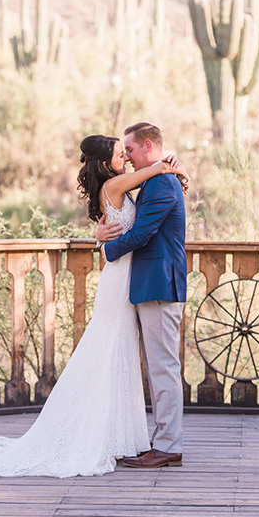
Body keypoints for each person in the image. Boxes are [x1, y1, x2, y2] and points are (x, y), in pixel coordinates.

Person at [0, 135, 189, 478]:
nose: (128, 158)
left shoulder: (129, 184)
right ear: (107, 164)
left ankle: (123, 437)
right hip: (122, 280)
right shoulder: (121, 182)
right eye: (122, 153)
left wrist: (173, 179)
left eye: (129, 151)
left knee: (116, 357)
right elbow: (156, 174)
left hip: (130, 280)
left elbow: (150, 197)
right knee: (107, 354)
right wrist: (173, 170)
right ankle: (109, 437)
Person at [96, 122, 187, 468]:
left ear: (148, 146)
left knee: (163, 367)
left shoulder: (163, 183)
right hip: (150, 284)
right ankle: (163, 439)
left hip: (160, 284)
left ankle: (168, 446)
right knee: (159, 366)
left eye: (130, 150)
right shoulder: (158, 178)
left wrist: (105, 250)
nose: (128, 157)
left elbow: (142, 233)